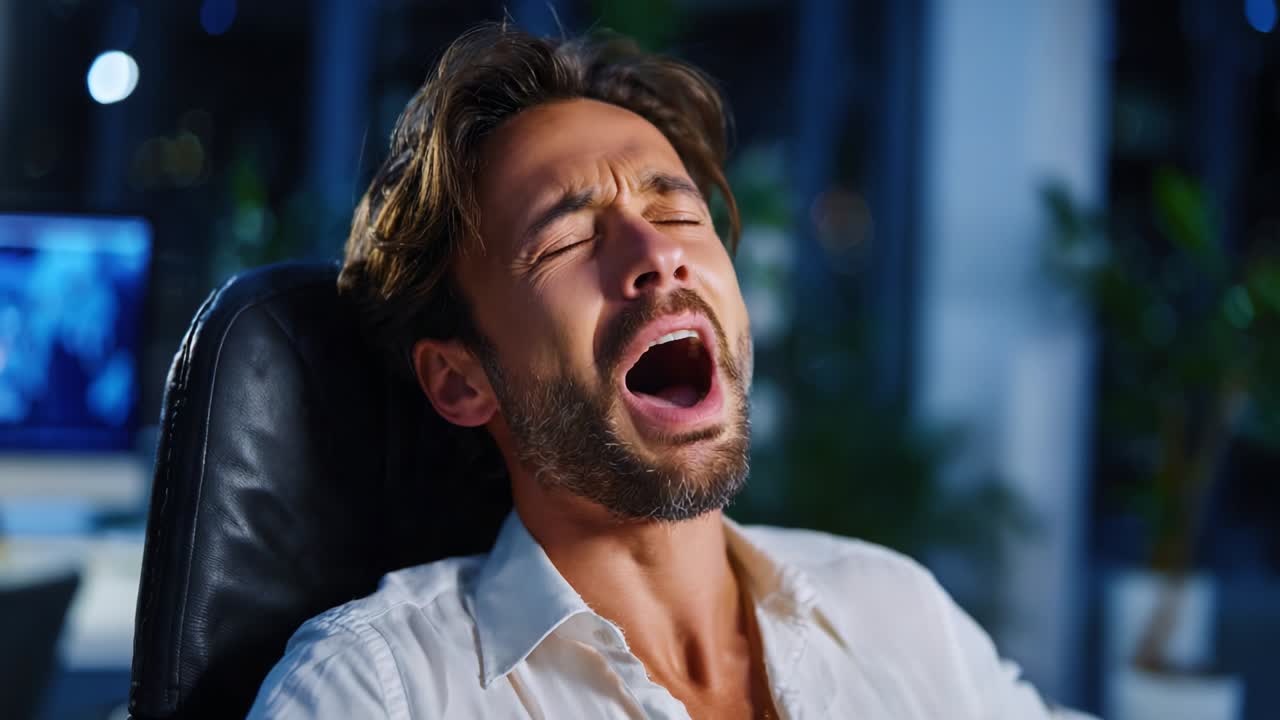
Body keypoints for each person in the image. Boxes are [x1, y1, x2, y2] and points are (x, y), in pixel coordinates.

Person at [248, 23, 1079, 720]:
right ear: (463, 382)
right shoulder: (376, 691)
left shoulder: (896, 613)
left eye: (678, 211)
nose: (659, 257)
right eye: (568, 240)